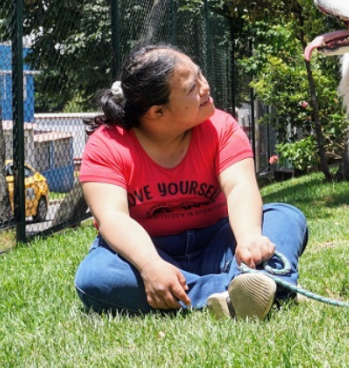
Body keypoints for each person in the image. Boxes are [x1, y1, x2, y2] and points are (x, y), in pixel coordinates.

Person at [73, 44, 308, 321]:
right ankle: (254, 288)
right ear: (157, 112)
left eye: (201, 76)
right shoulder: (107, 144)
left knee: (285, 217)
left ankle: (240, 287)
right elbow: (112, 217)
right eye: (191, 88)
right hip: (148, 251)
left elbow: (239, 186)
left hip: (218, 245)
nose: (205, 88)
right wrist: (150, 265)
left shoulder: (222, 127)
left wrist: (249, 238)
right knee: (96, 277)